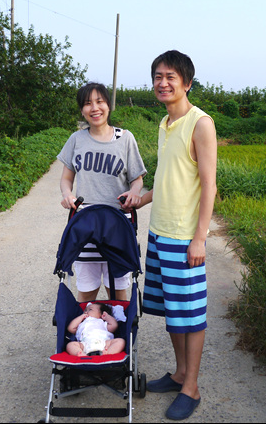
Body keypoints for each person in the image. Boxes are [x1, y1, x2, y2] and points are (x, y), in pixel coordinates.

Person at [135, 50, 217, 420]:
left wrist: (200, 238)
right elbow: (168, 178)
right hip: (159, 233)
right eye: (158, 76)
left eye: (170, 77)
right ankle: (180, 373)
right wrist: (140, 199)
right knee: (172, 312)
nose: (163, 83)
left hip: (184, 238)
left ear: (187, 82)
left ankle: (191, 388)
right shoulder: (165, 123)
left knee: (190, 315)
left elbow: (209, 185)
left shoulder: (201, 123)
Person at [57, 82, 147, 302]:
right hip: (85, 225)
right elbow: (66, 178)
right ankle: (86, 325)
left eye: (99, 101)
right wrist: (67, 194)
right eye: (88, 103)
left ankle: (120, 326)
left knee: (117, 293)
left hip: (118, 224)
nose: (94, 108)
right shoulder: (76, 139)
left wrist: (134, 192)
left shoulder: (125, 138)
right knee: (86, 291)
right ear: (82, 110)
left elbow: (137, 179)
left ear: (108, 105)